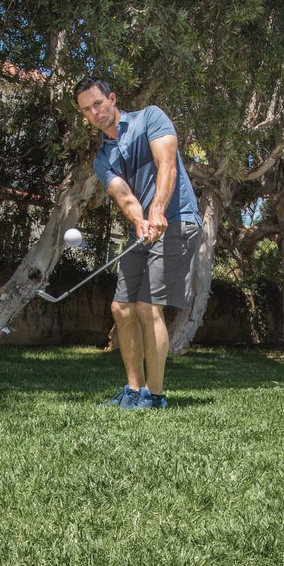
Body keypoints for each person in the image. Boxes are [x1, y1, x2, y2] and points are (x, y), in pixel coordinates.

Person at [74, 76, 201, 409]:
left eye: (97, 104)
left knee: (147, 306)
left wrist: (158, 210)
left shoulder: (150, 118)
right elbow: (124, 196)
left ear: (112, 99)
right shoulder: (103, 158)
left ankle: (155, 396)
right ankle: (133, 391)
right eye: (86, 110)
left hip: (177, 221)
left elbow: (167, 164)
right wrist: (141, 221)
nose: (94, 113)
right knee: (122, 307)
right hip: (144, 229)